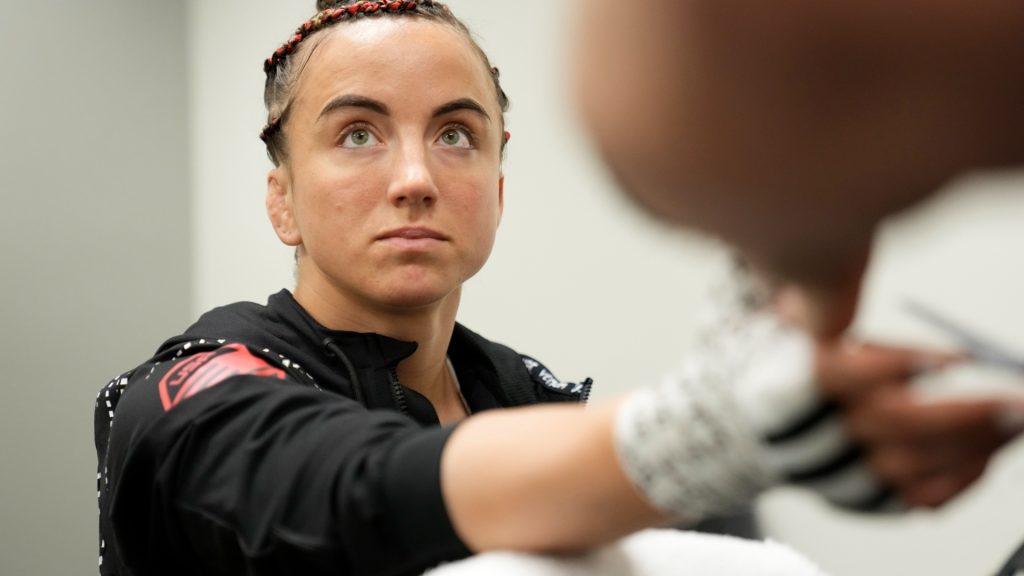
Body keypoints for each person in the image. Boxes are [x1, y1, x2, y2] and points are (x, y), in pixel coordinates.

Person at [94, 2, 1013, 575]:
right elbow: (355, 493)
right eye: (359, 134)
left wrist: (784, 416)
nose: (415, 176)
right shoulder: (192, 393)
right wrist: (692, 436)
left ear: (497, 186)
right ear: (281, 198)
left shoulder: (517, 393)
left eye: (456, 134)